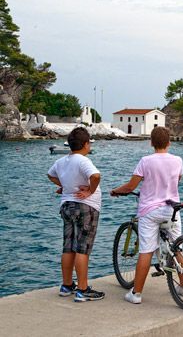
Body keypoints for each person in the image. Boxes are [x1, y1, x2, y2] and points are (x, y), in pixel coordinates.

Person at [111, 126, 183, 304]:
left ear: (151, 143)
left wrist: (116, 191)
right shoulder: (178, 160)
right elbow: (177, 180)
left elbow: (131, 187)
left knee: (146, 250)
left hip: (150, 211)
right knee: (177, 249)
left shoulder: (145, 161)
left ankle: (136, 294)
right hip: (171, 210)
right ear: (169, 142)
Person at [47, 127, 104, 302]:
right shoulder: (83, 160)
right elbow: (95, 176)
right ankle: (83, 289)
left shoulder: (62, 161)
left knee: (68, 246)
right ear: (86, 144)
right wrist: (90, 191)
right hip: (85, 207)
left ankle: (66, 285)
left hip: (67, 206)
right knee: (82, 248)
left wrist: (65, 185)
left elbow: (50, 175)